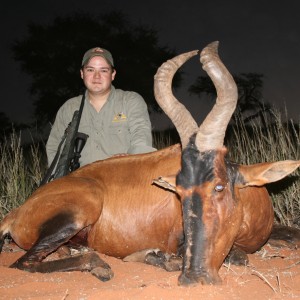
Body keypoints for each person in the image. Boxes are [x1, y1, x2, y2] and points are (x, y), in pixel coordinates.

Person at [46, 47, 156, 168]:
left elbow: (141, 140)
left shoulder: (131, 101)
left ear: (113, 74)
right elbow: (54, 148)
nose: (96, 76)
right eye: (90, 70)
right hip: (81, 181)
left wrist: (130, 161)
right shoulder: (69, 108)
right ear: (82, 73)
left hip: (123, 174)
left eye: (103, 70)